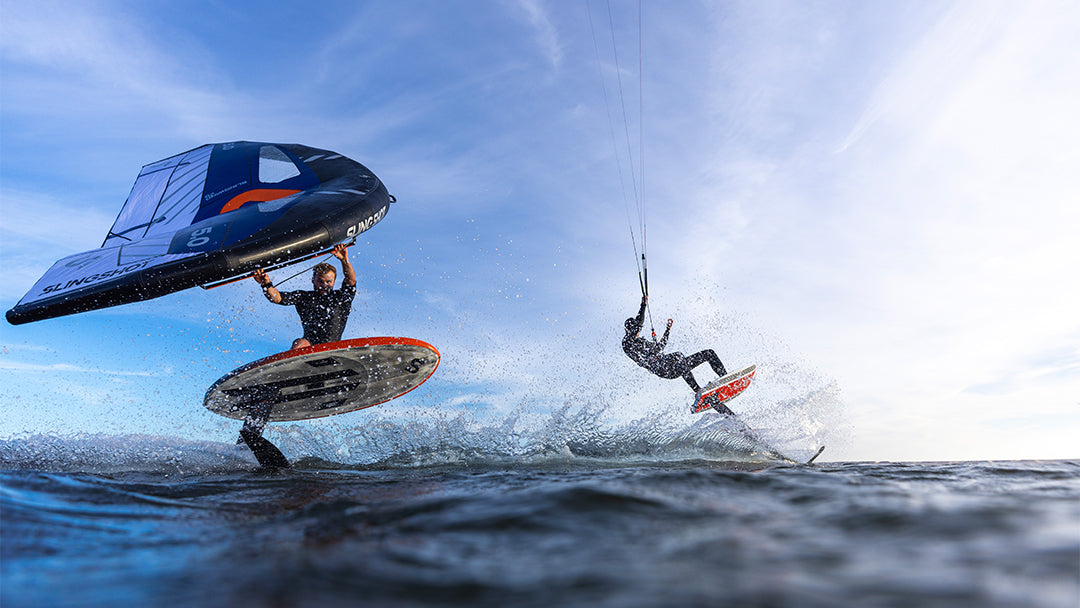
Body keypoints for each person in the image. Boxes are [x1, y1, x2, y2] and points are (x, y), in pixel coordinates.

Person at [622, 294, 728, 402]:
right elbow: (637, 325)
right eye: (636, 329)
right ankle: (698, 392)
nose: (639, 332)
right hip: (662, 369)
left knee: (709, 353)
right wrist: (643, 304)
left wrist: (667, 330)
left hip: (673, 365)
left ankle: (726, 379)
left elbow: (660, 347)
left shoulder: (642, 342)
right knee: (678, 356)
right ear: (629, 329)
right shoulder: (627, 343)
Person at [252, 244, 357, 350]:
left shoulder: (341, 297)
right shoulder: (304, 297)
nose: (324, 285)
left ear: (334, 282)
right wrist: (266, 284)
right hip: (309, 345)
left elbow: (351, 280)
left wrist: (344, 260)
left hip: (332, 347)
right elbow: (277, 298)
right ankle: (293, 364)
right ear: (313, 280)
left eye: (328, 282)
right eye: (320, 281)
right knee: (299, 343)